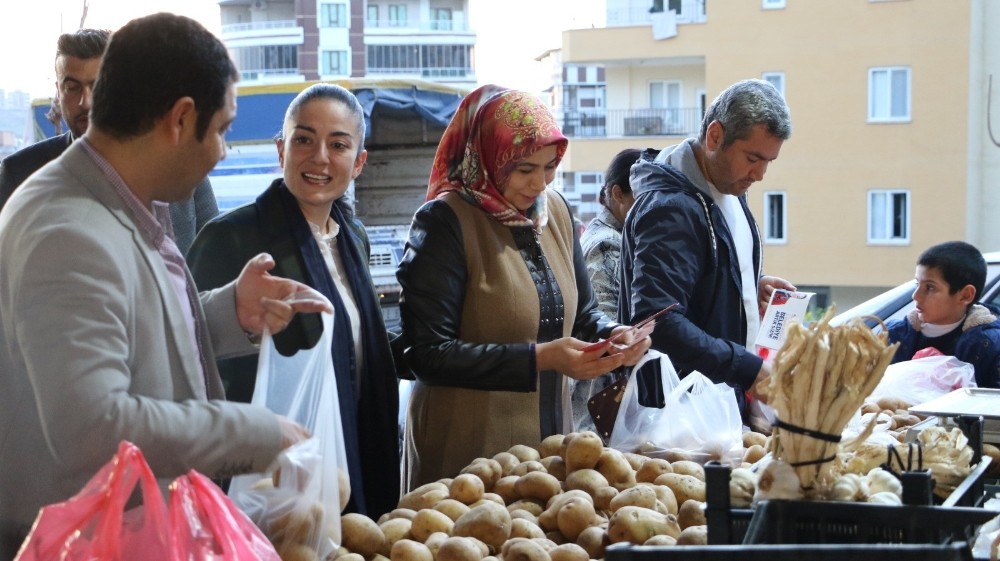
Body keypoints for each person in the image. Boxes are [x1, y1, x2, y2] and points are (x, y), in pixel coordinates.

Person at [0, 13, 328, 557]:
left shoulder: (114, 198)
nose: (223, 151)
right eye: (222, 130)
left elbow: (121, 326)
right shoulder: (67, 228)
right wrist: (253, 432)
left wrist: (228, 313)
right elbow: (93, 428)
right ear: (180, 119)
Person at [396, 84, 651, 490]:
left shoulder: (556, 214)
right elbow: (425, 353)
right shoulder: (445, 222)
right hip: (466, 448)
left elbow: (582, 314)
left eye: (549, 166)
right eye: (524, 169)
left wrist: (612, 336)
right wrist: (541, 359)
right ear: (488, 158)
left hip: (548, 442)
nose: (539, 183)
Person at [187, 83, 401, 518]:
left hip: (352, 456)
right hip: (267, 475)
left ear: (358, 162)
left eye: (338, 144)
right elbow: (190, 362)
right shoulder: (231, 238)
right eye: (304, 139)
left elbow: (357, 351)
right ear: (280, 149)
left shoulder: (352, 237)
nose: (320, 157)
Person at [619, 79, 794, 415]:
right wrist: (745, 368)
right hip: (677, 414)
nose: (759, 174)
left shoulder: (728, 186)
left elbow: (696, 274)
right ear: (715, 136)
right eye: (753, 158)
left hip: (718, 404)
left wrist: (745, 286)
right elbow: (658, 320)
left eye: (768, 162)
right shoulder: (669, 207)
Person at [0, 27, 218, 254]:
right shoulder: (20, 174)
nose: (86, 102)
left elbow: (214, 262)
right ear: (59, 92)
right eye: (72, 88)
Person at [885, 241, 1000, 389]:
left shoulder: (988, 346)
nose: (916, 296)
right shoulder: (893, 336)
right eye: (917, 284)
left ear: (965, 295)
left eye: (930, 288)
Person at [581, 148, 646, 318]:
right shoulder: (608, 244)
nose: (651, 206)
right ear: (618, 194)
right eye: (643, 197)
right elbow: (605, 323)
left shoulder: (600, 231)